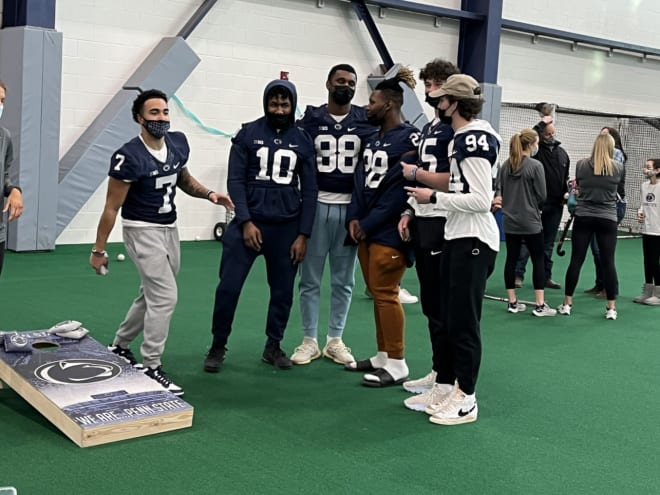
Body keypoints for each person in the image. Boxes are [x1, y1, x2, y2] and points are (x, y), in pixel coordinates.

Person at [90, 89, 233, 396]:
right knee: (165, 297)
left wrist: (210, 194)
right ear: (139, 118)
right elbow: (111, 207)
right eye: (154, 113)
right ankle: (151, 366)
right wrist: (98, 249)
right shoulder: (128, 155)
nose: (161, 118)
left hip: (169, 228)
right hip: (141, 229)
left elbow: (182, 179)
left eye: (165, 112)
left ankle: (120, 345)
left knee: (151, 294)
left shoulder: (178, 143)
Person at [403, 73, 500, 425]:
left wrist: (434, 196)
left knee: (464, 323)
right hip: (459, 235)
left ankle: (467, 397)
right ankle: (450, 386)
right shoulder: (464, 136)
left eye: (442, 98)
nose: (436, 102)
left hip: (473, 238)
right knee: (453, 318)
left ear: (454, 103)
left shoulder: (473, 137)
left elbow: (481, 199)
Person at [203, 79, 317, 373]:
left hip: (287, 228)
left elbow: (310, 190)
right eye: (274, 103)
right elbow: (236, 181)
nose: (279, 109)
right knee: (228, 287)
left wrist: (303, 233)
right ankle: (218, 344)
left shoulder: (302, 139)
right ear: (266, 103)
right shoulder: (247, 134)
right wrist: (246, 221)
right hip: (249, 226)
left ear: (293, 105)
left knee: (282, 292)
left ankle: (273, 345)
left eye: (284, 104)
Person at [290, 64, 374, 366]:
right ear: (328, 83)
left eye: (351, 82)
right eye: (340, 81)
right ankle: (309, 339)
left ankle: (335, 339)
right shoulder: (310, 120)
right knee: (309, 279)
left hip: (349, 208)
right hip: (315, 206)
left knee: (344, 280)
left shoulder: (366, 120)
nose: (346, 86)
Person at [343, 70, 420, 387]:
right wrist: (354, 216)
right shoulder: (374, 138)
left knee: (387, 293)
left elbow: (399, 189)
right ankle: (382, 355)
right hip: (367, 228)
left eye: (372, 101)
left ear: (389, 105)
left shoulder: (410, 138)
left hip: (390, 229)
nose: (367, 106)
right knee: (377, 293)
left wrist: (369, 222)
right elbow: (360, 181)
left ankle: (398, 362)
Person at [394, 58, 460, 406]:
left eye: (435, 84)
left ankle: (448, 381)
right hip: (424, 217)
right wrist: (409, 210)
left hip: (445, 219)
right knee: (432, 304)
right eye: (428, 84)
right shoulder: (434, 126)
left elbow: (454, 179)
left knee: (443, 305)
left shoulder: (457, 129)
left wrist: (416, 176)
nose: (430, 91)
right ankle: (440, 372)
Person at [557, 133, 623, 320]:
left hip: (584, 217)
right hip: (607, 218)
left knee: (576, 260)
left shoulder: (582, 165)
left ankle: (567, 303)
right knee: (608, 262)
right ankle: (611, 308)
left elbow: (579, 185)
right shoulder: (618, 168)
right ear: (611, 148)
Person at [493, 129, 556, 317]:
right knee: (537, 259)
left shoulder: (506, 165)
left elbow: (499, 190)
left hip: (510, 221)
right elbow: (542, 195)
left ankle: (512, 302)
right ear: (531, 144)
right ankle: (539, 304)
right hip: (530, 221)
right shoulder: (535, 166)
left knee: (511, 258)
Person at [515, 120, 570, 289]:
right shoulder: (535, 152)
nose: (551, 136)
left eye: (553, 133)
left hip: (555, 205)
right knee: (526, 241)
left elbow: (565, 177)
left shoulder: (562, 153)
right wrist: (540, 124)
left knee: (548, 243)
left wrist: (566, 194)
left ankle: (546, 276)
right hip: (535, 205)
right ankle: (518, 275)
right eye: (547, 134)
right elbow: (527, 138)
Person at [584, 126, 627, 297]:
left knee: (604, 249)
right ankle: (600, 283)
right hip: (600, 205)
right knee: (596, 248)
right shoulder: (595, 157)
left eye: (605, 135)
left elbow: (604, 174)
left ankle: (610, 288)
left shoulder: (616, 154)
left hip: (612, 205)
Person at [0, 80, 23, 278]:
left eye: (2, 101)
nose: (0, 106)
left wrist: (14, 190)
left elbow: (4, 176)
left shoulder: (4, 137)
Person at [633, 159, 660, 305]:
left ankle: (659, 292)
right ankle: (648, 291)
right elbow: (643, 204)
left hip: (658, 230)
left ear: (657, 170)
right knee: (647, 260)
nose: (645, 169)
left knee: (655, 261)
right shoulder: (644, 186)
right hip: (647, 229)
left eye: (648, 167)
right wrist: (640, 213)